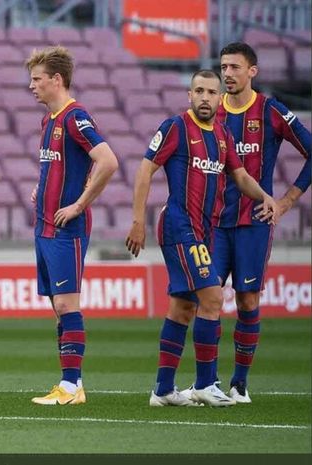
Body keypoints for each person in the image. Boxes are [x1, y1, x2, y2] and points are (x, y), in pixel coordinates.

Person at [125, 69, 279, 407]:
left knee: (183, 307)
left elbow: (240, 176)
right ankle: (206, 383)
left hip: (203, 230)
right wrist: (138, 220)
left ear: (218, 96)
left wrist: (264, 196)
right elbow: (144, 169)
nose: (205, 97)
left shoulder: (222, 135)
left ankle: (163, 390)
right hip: (179, 226)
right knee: (212, 297)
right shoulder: (175, 128)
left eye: (211, 92)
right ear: (190, 95)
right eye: (199, 91)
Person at [212, 42, 311, 403]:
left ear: (252, 71)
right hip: (213, 223)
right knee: (205, 300)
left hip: (254, 222)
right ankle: (206, 382)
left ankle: (239, 383)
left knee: (247, 300)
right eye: (223, 67)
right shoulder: (210, 111)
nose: (227, 74)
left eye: (235, 67)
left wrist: (285, 202)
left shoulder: (270, 110)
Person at [25, 46, 119, 405]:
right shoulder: (48, 121)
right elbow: (59, 165)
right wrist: (42, 185)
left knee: (67, 305)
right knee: (57, 306)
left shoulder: (75, 117)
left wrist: (80, 204)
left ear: (56, 80)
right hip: (45, 226)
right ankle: (69, 384)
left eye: (37, 79)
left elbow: (108, 161)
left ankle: (71, 386)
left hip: (67, 229)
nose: (31, 86)